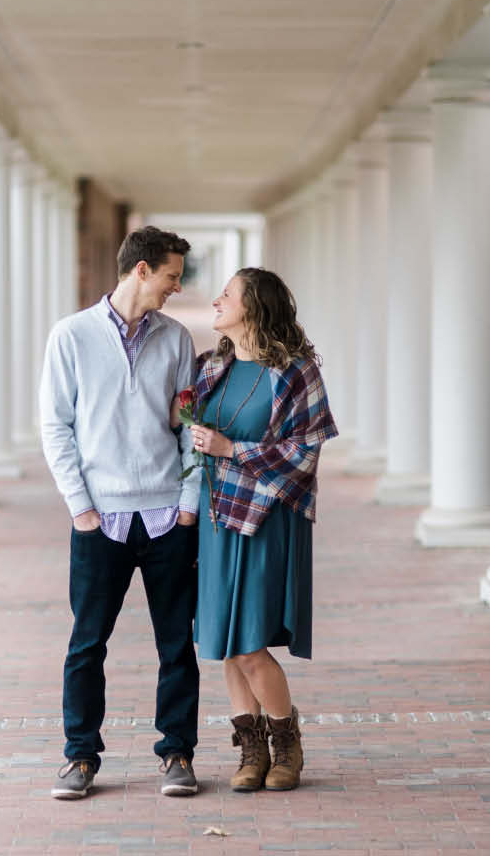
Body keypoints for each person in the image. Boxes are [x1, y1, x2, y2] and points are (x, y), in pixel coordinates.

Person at [40, 226, 203, 800]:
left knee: (176, 644)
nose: (176, 288)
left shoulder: (178, 340)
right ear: (140, 270)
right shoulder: (72, 337)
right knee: (87, 644)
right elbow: (56, 427)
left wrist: (188, 505)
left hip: (167, 519)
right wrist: (81, 508)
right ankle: (80, 758)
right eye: (171, 276)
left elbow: (190, 430)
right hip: (99, 521)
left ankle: (177, 753)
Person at [186, 268, 337, 792]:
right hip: (215, 518)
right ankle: (252, 750)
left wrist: (233, 450)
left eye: (227, 294)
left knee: (250, 643)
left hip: (266, 519)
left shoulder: (295, 373)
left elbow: (305, 454)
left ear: (255, 305)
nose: (216, 300)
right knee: (225, 642)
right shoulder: (212, 367)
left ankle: (286, 741)